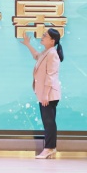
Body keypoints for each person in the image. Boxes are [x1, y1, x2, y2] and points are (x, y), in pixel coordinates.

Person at [21, 28, 64, 159]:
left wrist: (45, 95)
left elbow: (51, 75)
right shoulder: (47, 52)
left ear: (52, 41)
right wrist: (27, 44)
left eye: (45, 36)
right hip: (45, 94)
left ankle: (49, 148)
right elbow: (36, 56)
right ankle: (50, 148)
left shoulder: (52, 54)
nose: (42, 37)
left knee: (49, 121)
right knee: (47, 121)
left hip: (49, 94)